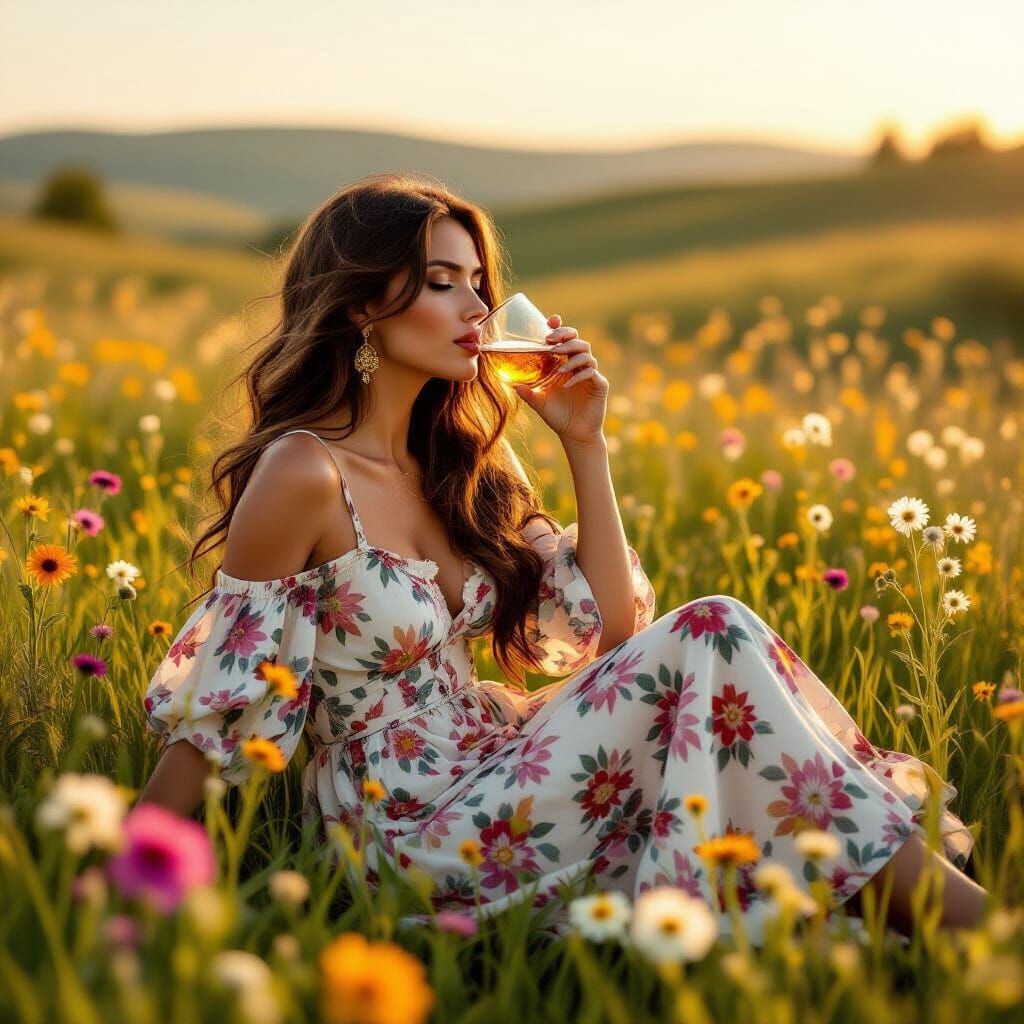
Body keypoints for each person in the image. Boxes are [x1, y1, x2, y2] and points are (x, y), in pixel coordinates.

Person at [139, 172, 987, 944]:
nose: (476, 307)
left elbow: (611, 632)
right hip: (409, 825)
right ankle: (986, 934)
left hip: (498, 761)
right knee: (715, 632)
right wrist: (123, 882)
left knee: (715, 678)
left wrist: (588, 444)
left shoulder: (460, 463)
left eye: (479, 283)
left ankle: (968, 933)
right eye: (441, 283)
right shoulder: (305, 470)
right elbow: (222, 700)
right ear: (362, 305)